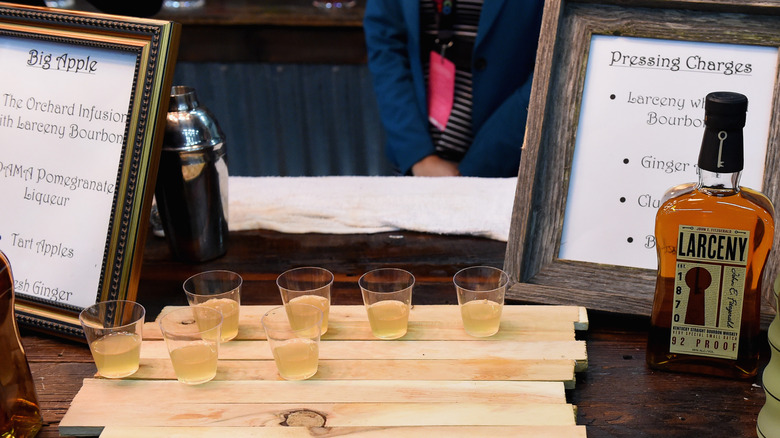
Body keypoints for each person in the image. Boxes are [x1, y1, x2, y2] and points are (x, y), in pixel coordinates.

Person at [364, 0, 544, 177]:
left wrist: (480, 165)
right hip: (415, 167)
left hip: (502, 165)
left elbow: (550, 64)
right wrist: (417, 155)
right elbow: (385, 47)